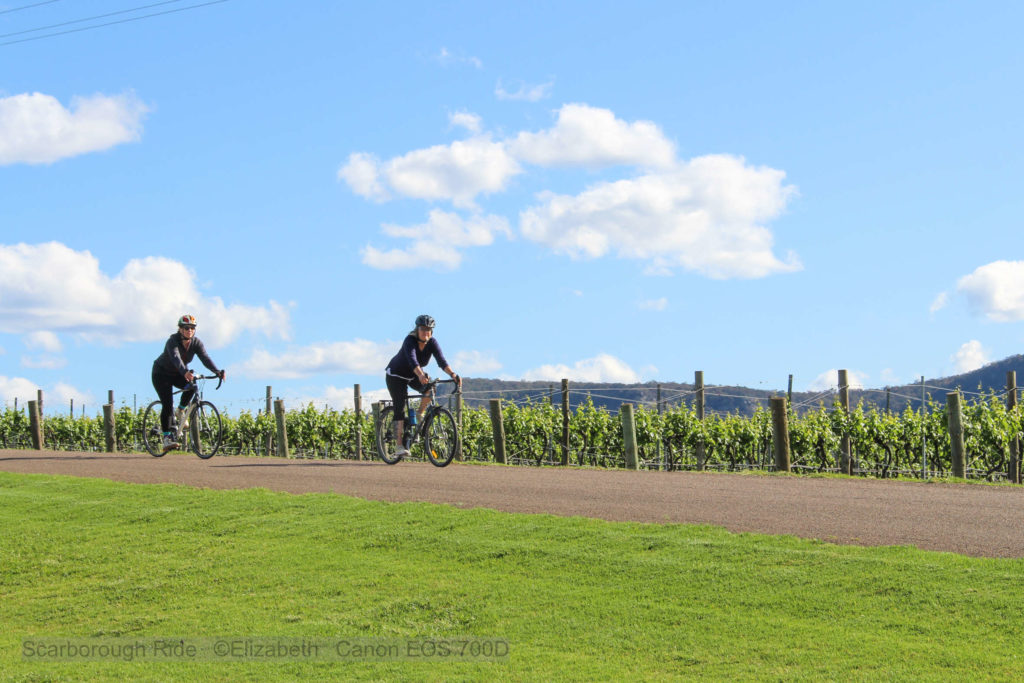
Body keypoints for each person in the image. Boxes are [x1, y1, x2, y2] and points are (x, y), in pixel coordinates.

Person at [385, 314, 461, 456]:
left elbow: (441, 361)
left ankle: (420, 414)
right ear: (417, 329)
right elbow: (412, 360)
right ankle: (399, 446)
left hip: (413, 375)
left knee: (430, 388)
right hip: (396, 375)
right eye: (423, 329)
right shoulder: (409, 341)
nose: (426, 332)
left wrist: (453, 375)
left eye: (428, 329)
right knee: (400, 408)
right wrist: (420, 374)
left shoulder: (432, 343)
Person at [152, 314, 225, 452]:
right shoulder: (172, 341)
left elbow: (205, 358)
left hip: (177, 374)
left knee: (192, 386)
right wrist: (185, 371)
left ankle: (181, 410)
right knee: (167, 403)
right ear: (180, 329)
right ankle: (167, 438)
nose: (189, 330)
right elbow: (176, 358)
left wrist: (217, 372)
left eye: (192, 328)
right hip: (161, 374)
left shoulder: (196, 343)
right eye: (186, 328)